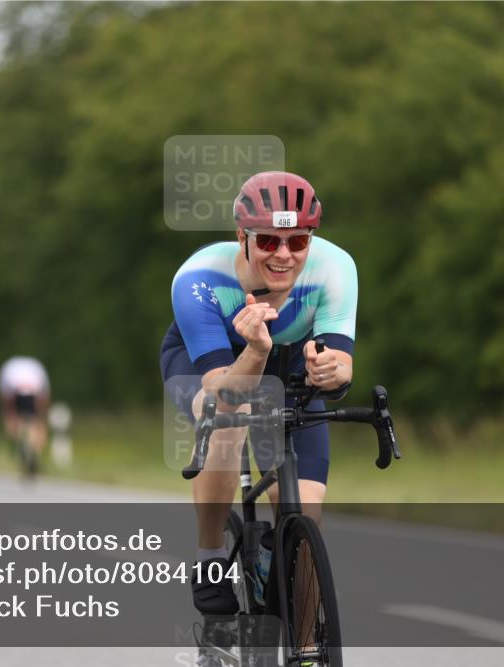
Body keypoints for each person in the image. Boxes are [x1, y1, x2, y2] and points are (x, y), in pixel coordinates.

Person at [159, 171, 357, 617]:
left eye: (298, 242)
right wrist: (255, 350)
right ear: (241, 237)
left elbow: (343, 366)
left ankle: (304, 647)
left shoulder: (336, 269)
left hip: (288, 363)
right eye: (268, 241)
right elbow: (222, 394)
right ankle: (211, 559)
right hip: (209, 363)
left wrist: (328, 370)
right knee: (228, 421)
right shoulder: (199, 278)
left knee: (306, 508)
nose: (284, 255)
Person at [0, 356, 52, 474]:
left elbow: (6, 398)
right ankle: (34, 449)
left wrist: (9, 416)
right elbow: (44, 396)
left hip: (16, 391)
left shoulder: (8, 367)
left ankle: (22, 444)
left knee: (17, 421)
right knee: (35, 423)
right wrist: (42, 418)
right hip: (34, 391)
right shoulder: (37, 367)